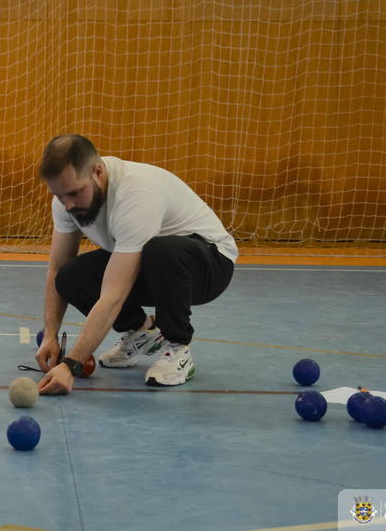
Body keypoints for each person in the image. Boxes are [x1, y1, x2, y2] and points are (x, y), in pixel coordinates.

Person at [35, 135, 237, 395]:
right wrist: (50, 335)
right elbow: (55, 270)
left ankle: (177, 347)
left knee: (159, 249)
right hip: (154, 267)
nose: (68, 204)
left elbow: (113, 295)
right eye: (59, 195)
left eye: (75, 193)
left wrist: (71, 365)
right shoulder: (65, 200)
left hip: (209, 264)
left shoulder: (136, 195)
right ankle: (143, 333)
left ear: (98, 172)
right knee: (69, 276)